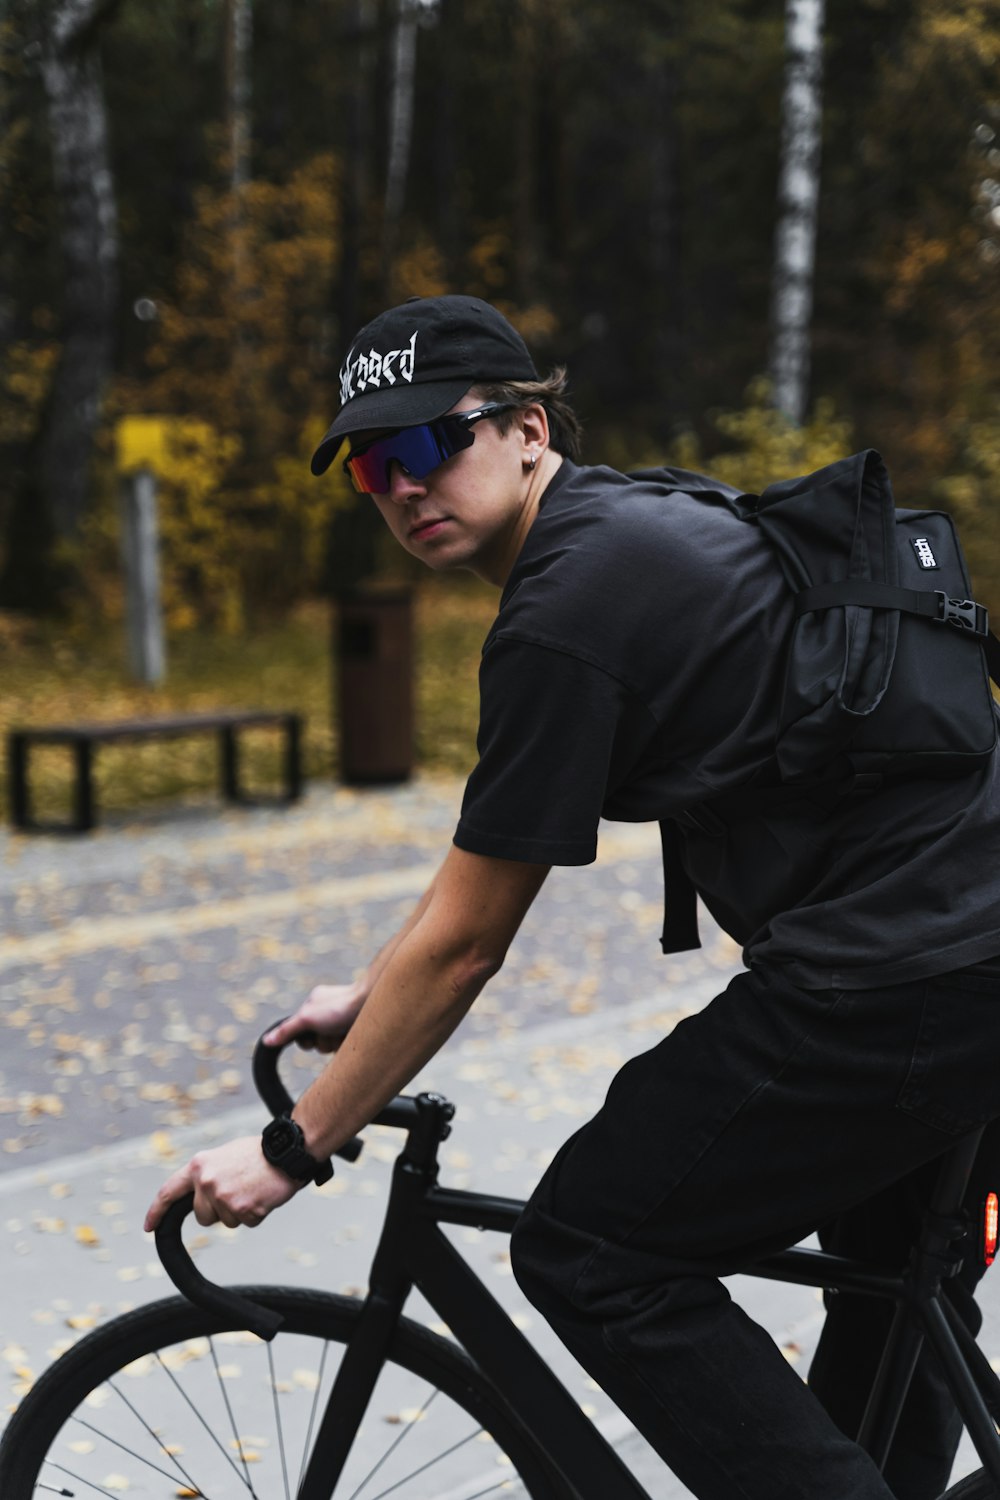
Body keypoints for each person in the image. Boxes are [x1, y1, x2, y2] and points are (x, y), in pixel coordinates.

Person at [146, 294, 1000, 1500]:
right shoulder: (638, 515)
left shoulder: (569, 606)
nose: (401, 486)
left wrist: (297, 1143)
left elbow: (466, 946)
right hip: (954, 943)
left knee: (593, 1246)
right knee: (893, 1301)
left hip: (906, 971)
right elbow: (464, 891)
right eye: (371, 468)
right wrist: (368, 993)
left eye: (429, 444)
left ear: (529, 429)